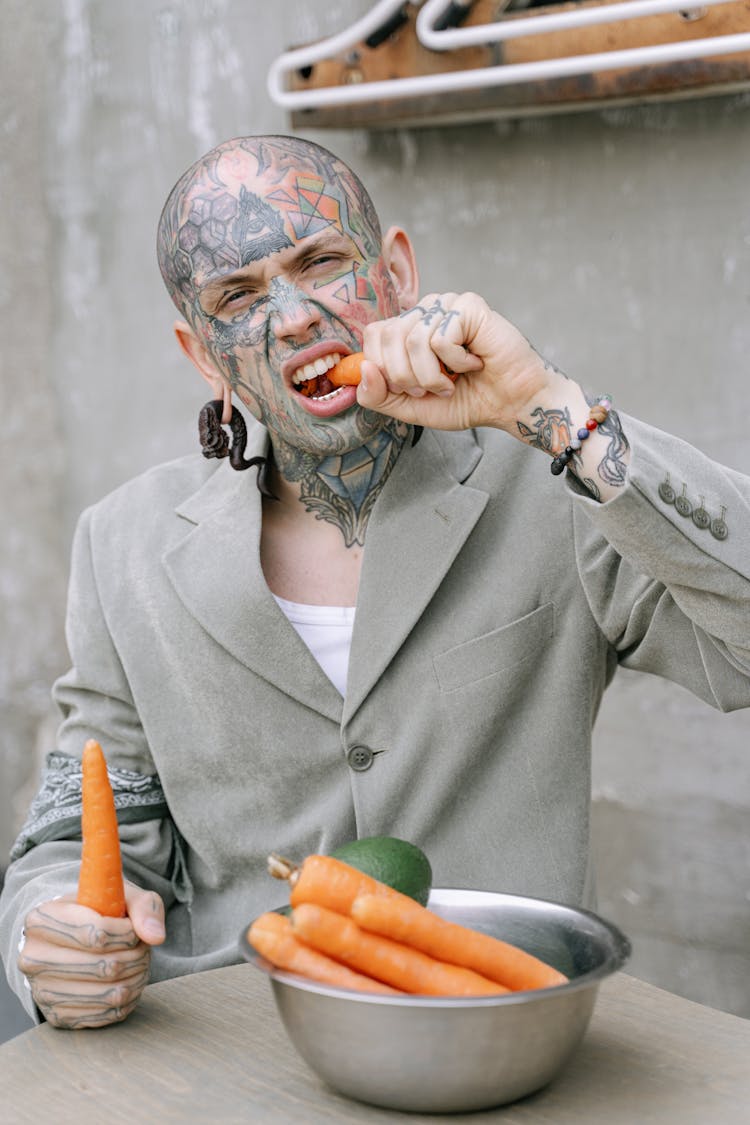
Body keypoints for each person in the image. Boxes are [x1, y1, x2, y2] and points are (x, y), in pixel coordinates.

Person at [2, 134, 748, 1030]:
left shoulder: (554, 488)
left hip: (493, 1032)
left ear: (395, 271)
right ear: (203, 354)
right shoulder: (120, 543)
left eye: (319, 262)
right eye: (236, 297)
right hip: (221, 1061)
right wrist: (46, 934)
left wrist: (552, 411)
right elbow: (77, 837)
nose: (290, 319)